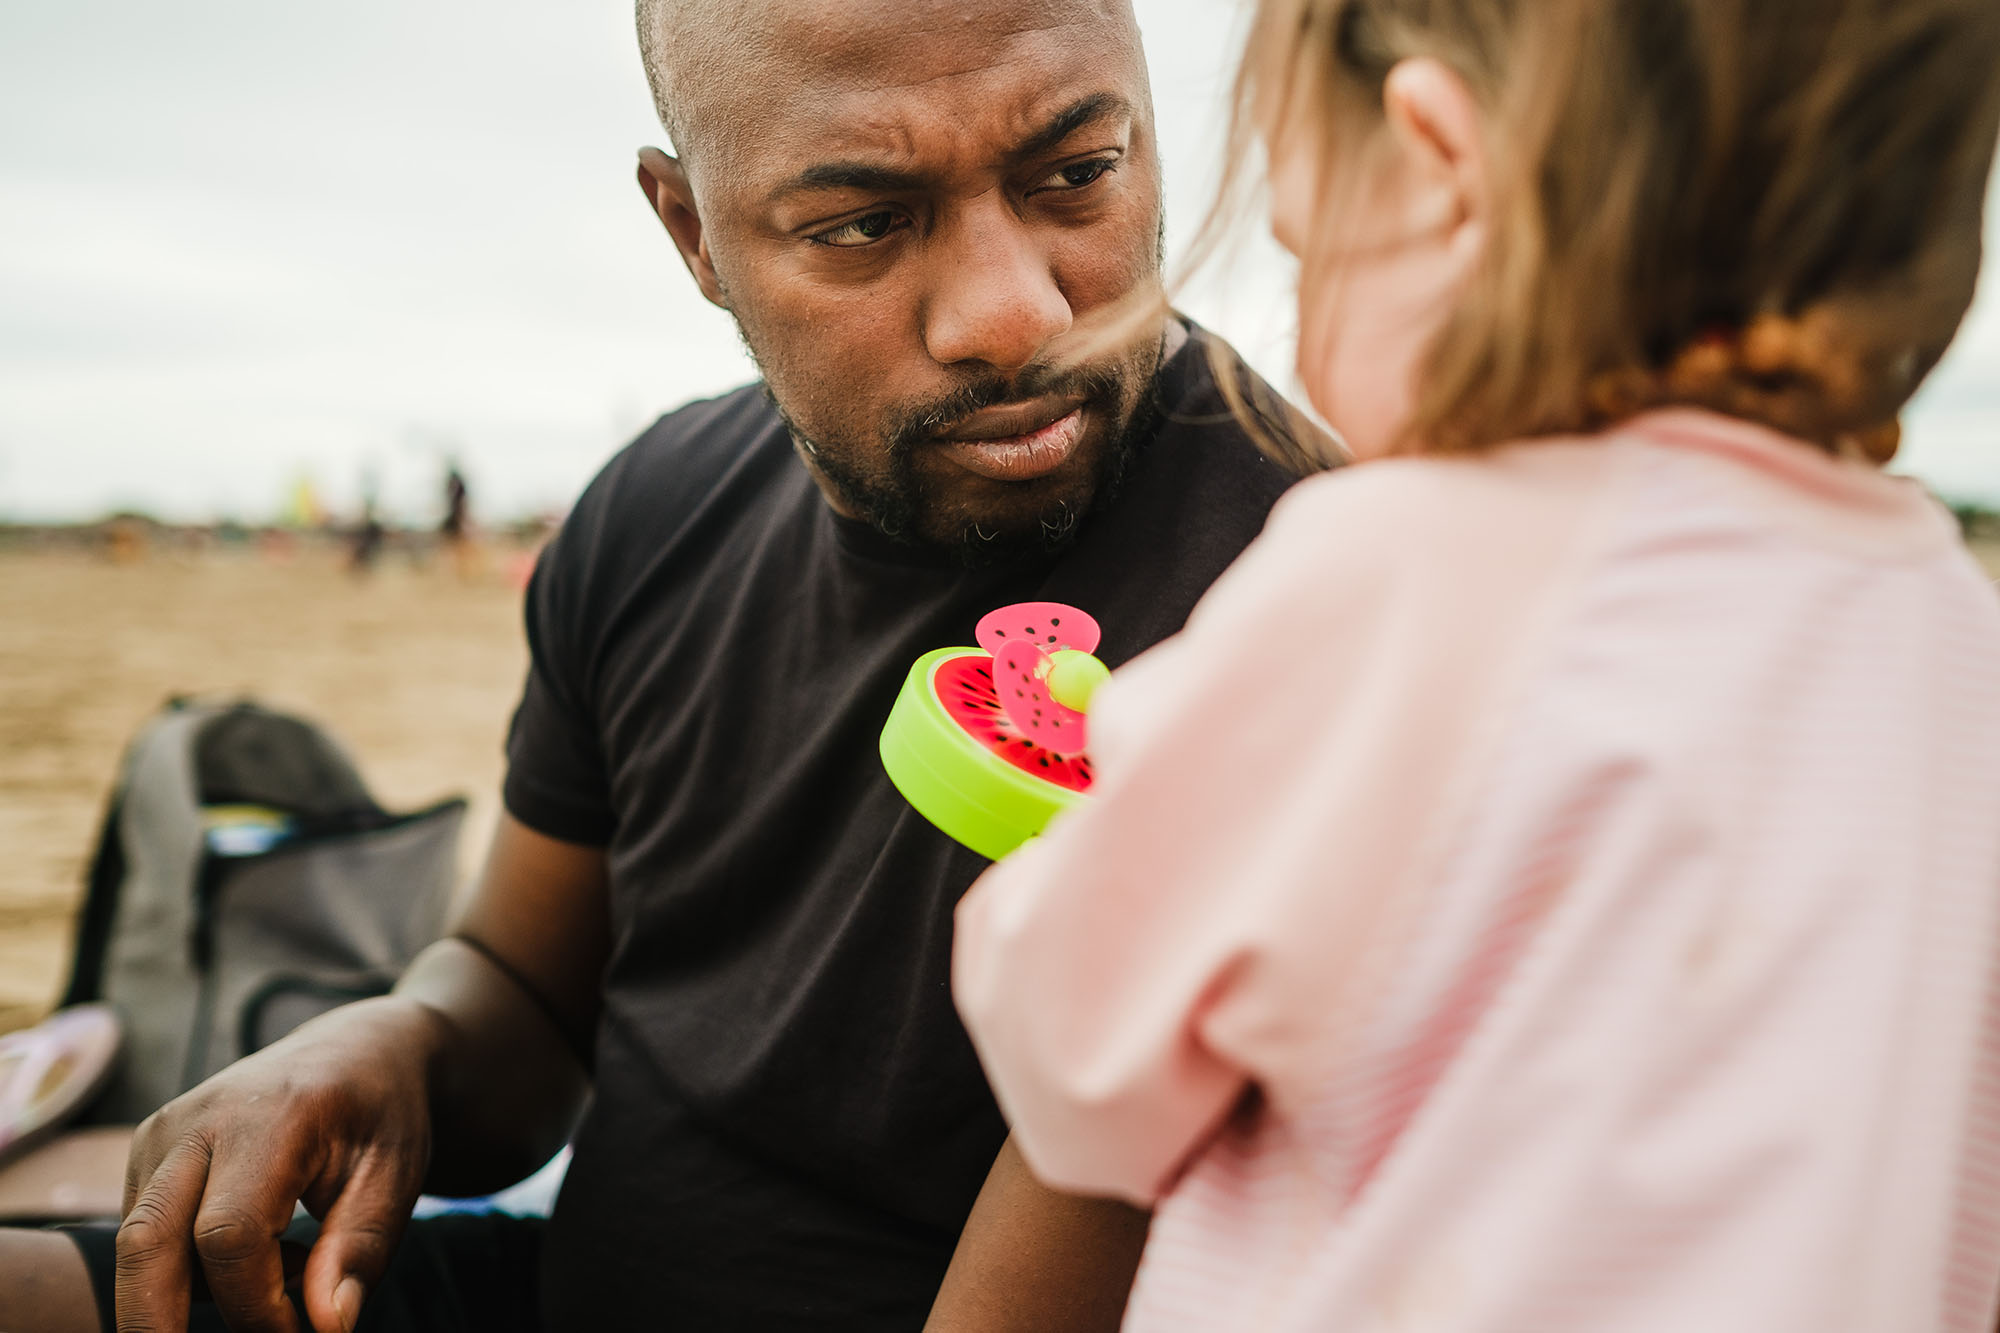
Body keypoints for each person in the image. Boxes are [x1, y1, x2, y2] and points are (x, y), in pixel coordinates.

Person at [0, 1, 1317, 1330]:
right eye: (864, 220)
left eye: (1077, 174)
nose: (1010, 312)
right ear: (693, 232)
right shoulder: (657, 510)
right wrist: (392, 1042)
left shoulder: (1331, 592)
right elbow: (522, 1002)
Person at [953, 0, 2000, 1329]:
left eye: (1301, 254)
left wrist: (1120, 794)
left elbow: (1075, 1056)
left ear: (1442, 178)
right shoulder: (1958, 642)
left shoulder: (1391, 573)